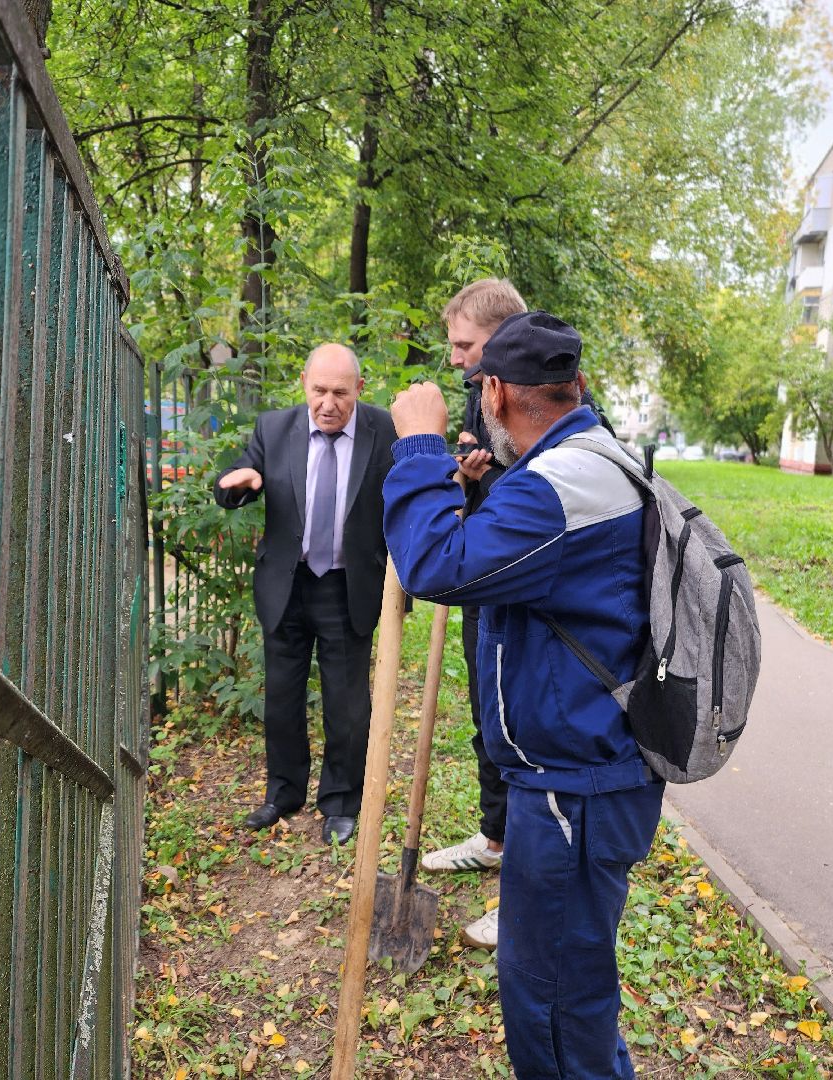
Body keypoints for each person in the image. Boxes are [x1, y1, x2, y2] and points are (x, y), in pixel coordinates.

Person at [383, 311, 663, 1080]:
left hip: (573, 794)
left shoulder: (560, 484)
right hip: (583, 782)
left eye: (479, 392)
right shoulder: (594, 461)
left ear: (498, 393)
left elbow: (436, 567)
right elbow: (508, 569)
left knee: (553, 1010)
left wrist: (417, 447)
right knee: (574, 993)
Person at [214, 344, 397, 846]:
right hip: (287, 585)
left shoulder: (383, 432)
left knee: (346, 703)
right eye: (319, 391)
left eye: (340, 392)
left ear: (359, 390)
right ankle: (283, 793)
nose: (328, 403)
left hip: (346, 586)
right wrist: (238, 486)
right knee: (282, 700)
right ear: (304, 384)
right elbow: (235, 477)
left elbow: (408, 491)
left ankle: (340, 802)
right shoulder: (274, 429)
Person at [417, 279, 527, 950]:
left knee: (519, 732)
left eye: (466, 345)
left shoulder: (543, 392)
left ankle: (525, 895)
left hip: (525, 585)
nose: (457, 358)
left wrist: (483, 478)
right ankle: (493, 840)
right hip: (481, 576)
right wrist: (465, 469)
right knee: (488, 719)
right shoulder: (478, 389)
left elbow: (543, 496)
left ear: (502, 337)